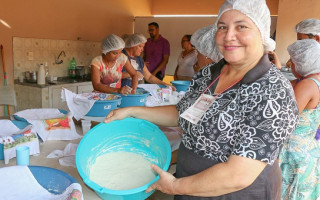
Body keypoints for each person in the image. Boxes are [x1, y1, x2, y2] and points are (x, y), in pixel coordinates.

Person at [105, 0, 299, 199]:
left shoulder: (273, 90)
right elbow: (183, 113)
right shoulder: (209, 74)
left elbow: (238, 175)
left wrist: (174, 186)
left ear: (262, 32)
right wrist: (132, 112)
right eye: (222, 27)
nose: (228, 35)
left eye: (241, 26)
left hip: (234, 193)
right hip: (188, 184)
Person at [279, 39, 320, 200]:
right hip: (308, 147)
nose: (290, 64)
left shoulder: (307, 85)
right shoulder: (312, 81)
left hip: (293, 152)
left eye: (293, 61)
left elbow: (285, 118)